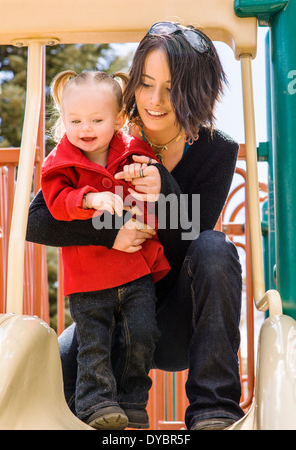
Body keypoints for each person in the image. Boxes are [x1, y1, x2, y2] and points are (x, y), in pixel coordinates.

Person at [26, 22, 244, 430]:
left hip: (177, 315)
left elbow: (194, 236)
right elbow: (37, 221)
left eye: (171, 88)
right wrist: (111, 232)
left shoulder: (218, 149)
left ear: (197, 90)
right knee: (49, 381)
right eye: (144, 84)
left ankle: (214, 409)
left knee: (216, 246)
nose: (155, 101)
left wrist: (165, 189)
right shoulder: (105, 130)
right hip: (111, 308)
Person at [40, 69, 170, 429]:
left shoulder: (133, 153)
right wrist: (89, 198)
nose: (85, 128)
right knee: (94, 342)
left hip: (134, 269)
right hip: (89, 274)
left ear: (118, 119)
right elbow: (54, 203)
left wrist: (147, 203)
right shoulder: (61, 161)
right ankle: (96, 404)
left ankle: (131, 399)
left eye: (96, 119)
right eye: (75, 119)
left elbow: (155, 199)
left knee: (141, 332)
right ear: (63, 118)